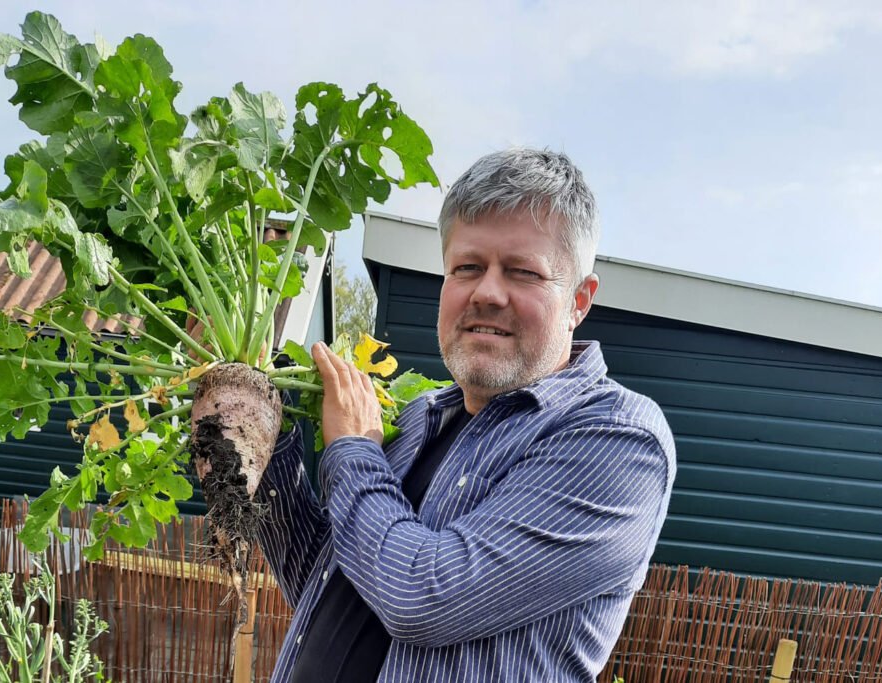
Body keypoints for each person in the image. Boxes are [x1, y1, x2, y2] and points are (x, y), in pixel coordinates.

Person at [254, 148, 676, 682]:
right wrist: (260, 444)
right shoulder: (418, 418)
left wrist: (355, 450)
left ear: (579, 301)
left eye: (523, 272)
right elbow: (335, 587)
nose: (488, 293)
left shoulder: (616, 439)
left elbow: (421, 598)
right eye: (467, 268)